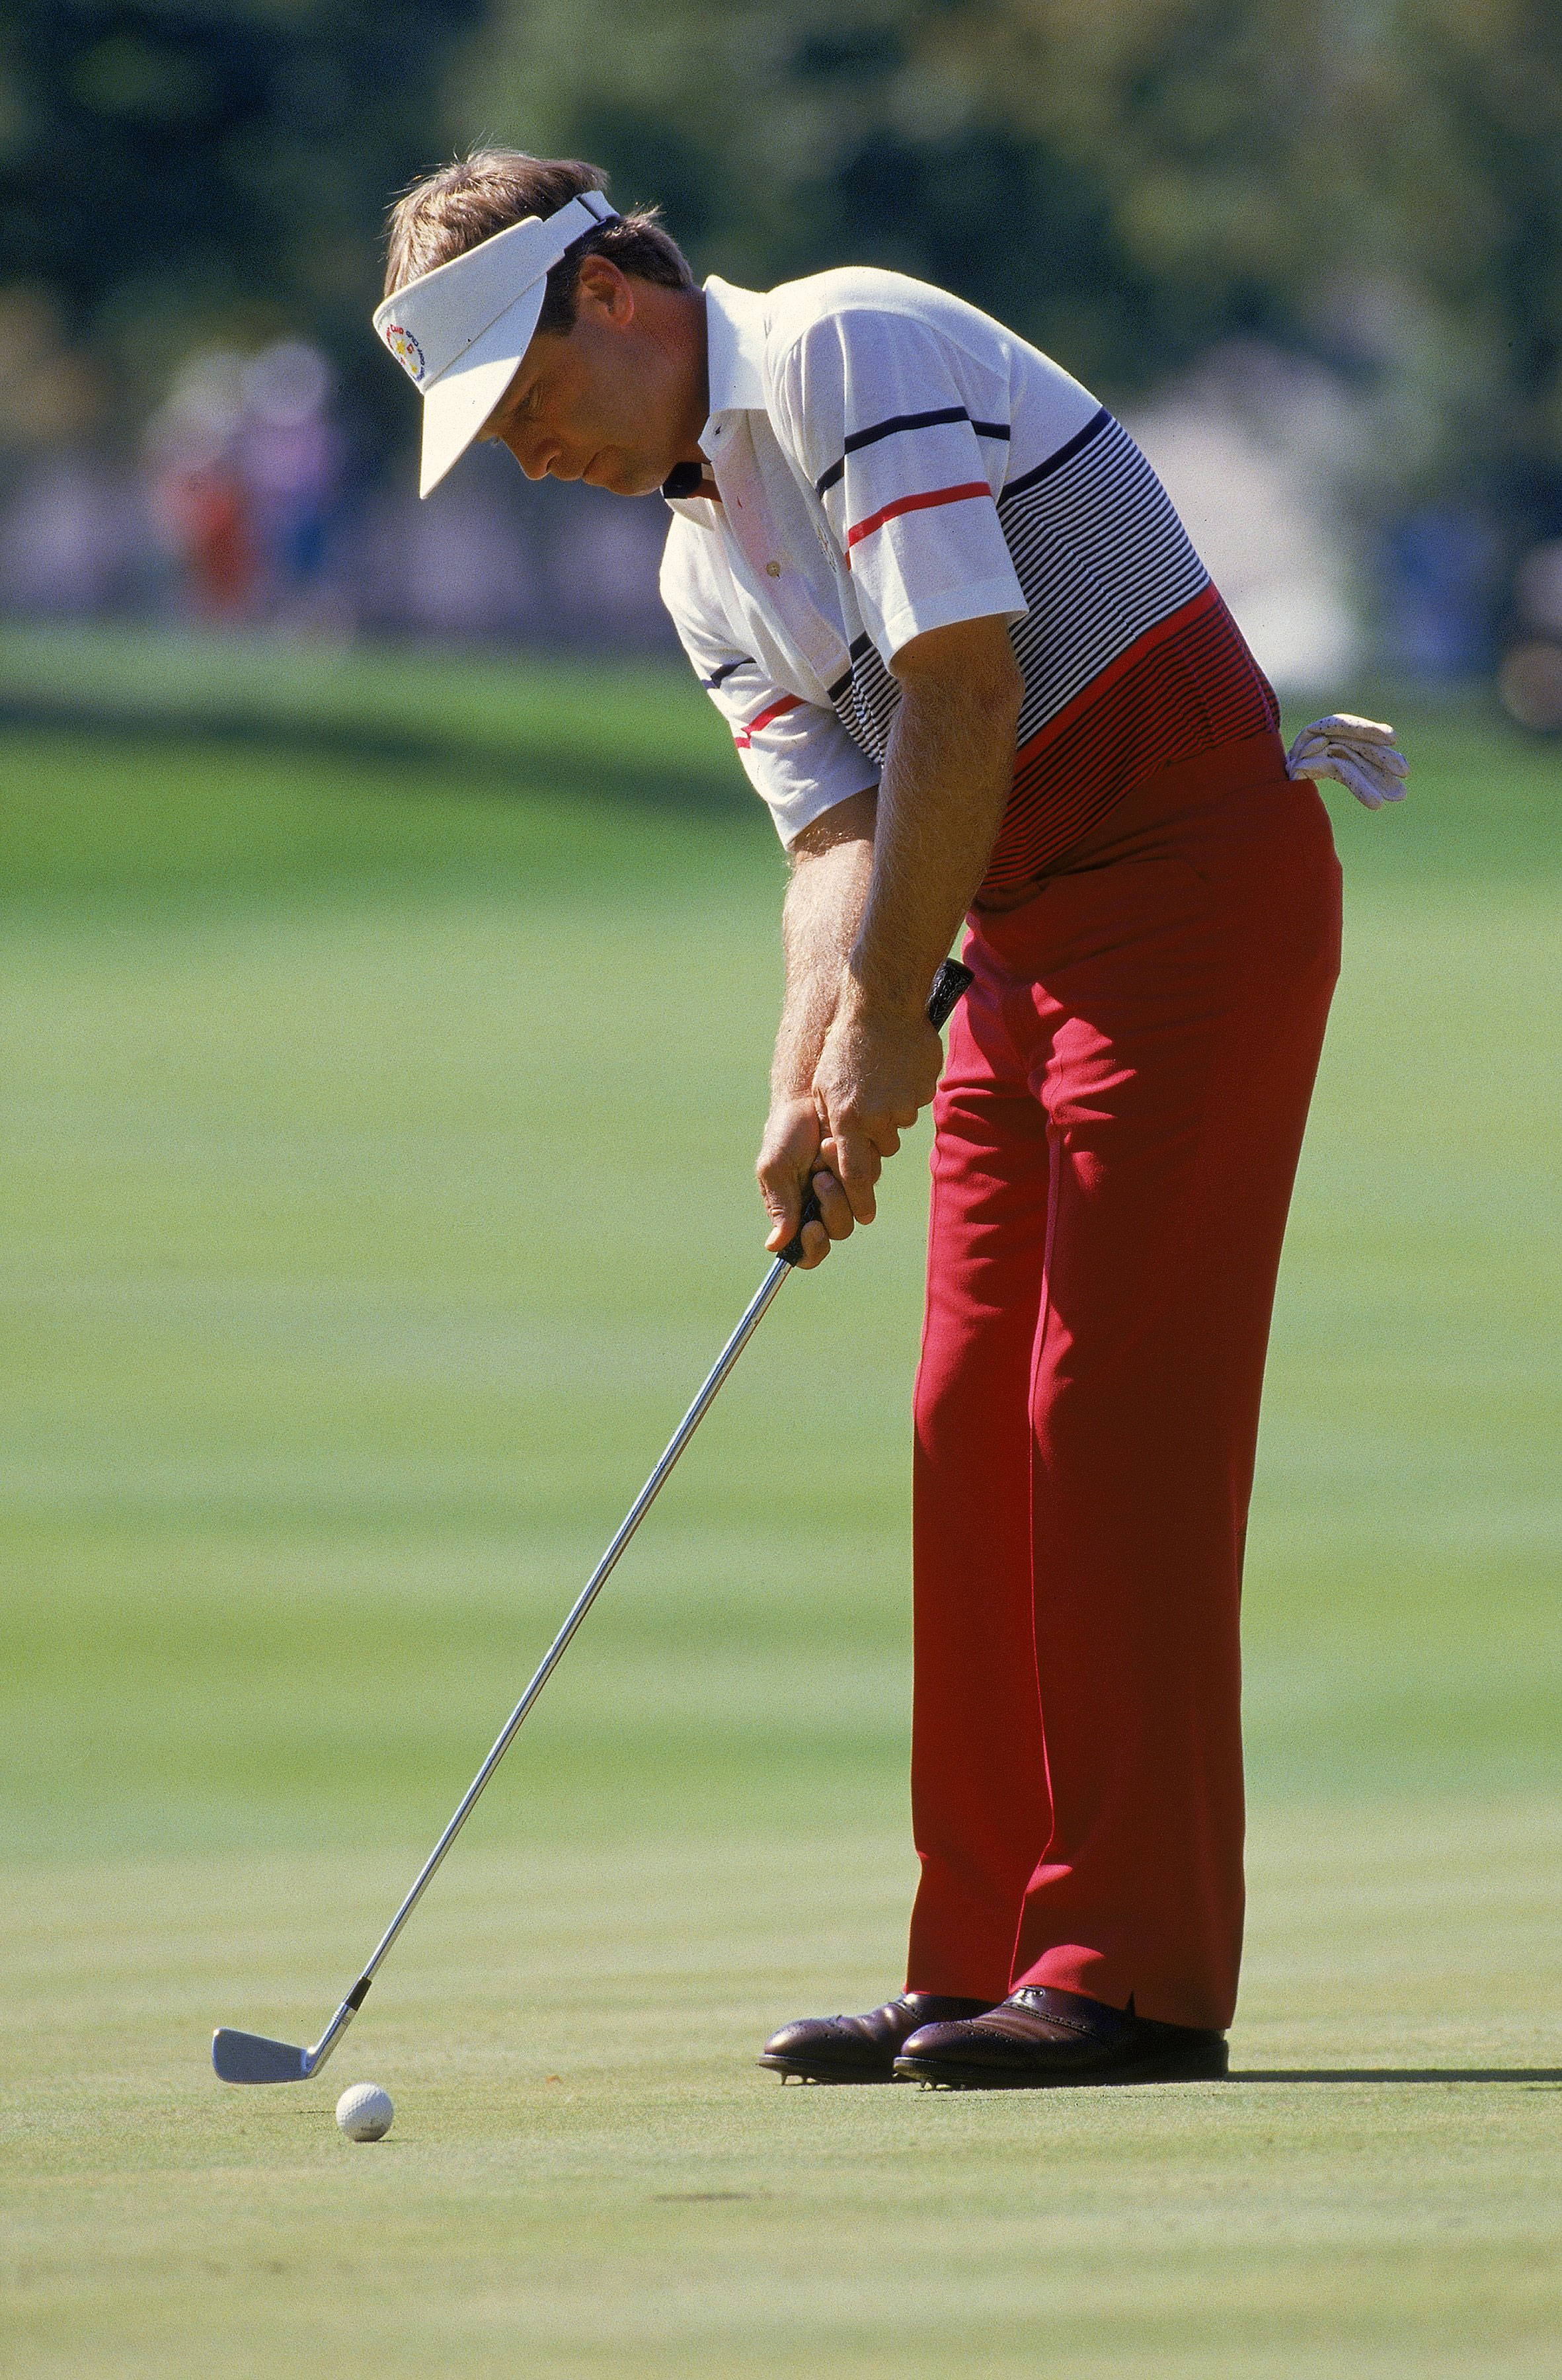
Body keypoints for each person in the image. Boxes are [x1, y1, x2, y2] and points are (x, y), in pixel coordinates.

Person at [374, 152, 1407, 2089]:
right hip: (1009, 937)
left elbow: (963, 685)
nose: (525, 455)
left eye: (525, 401)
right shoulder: (698, 564)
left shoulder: (842, 347)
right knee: (966, 1421)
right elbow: (838, 839)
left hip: (1193, 886)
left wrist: (877, 1027)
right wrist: (808, 1073)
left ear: (613, 296)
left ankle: (1133, 1968)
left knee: (1107, 1414)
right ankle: (983, 1952)